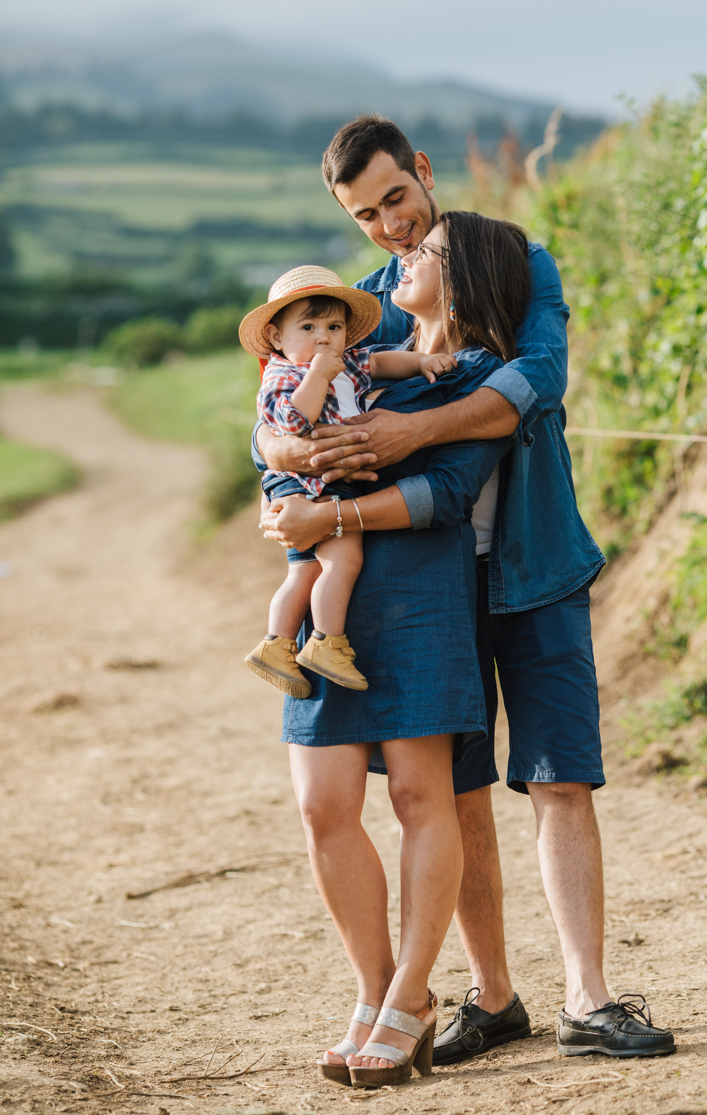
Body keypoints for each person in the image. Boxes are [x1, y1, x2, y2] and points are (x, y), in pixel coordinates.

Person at [257, 115, 676, 1062]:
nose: (391, 229)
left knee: (561, 774)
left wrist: (407, 435)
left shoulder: (519, 267)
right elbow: (289, 403)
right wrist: (283, 467)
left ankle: (589, 999)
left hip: (531, 561)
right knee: (456, 790)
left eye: (397, 200)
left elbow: (534, 382)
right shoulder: (362, 309)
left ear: (425, 173)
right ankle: (491, 997)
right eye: (366, 216)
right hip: (421, 590)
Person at [260, 211, 529, 1086]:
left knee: (422, 795)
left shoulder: (477, 375)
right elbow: (274, 426)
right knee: (322, 804)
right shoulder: (340, 353)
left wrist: (327, 511)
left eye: (426, 253)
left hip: (420, 594)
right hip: (331, 592)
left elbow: (450, 491)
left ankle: (412, 991)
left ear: (466, 277)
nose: (401, 253)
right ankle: (378, 991)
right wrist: (274, 449)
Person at [239, 265, 457, 696]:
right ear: (278, 338)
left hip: (317, 483)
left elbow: (381, 361)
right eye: (308, 326)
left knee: (304, 571)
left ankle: (275, 644)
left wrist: (422, 361)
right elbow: (293, 420)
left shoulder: (349, 363)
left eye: (334, 326)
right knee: (344, 559)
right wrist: (318, 375)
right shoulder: (283, 376)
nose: (324, 337)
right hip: (309, 484)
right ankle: (326, 642)